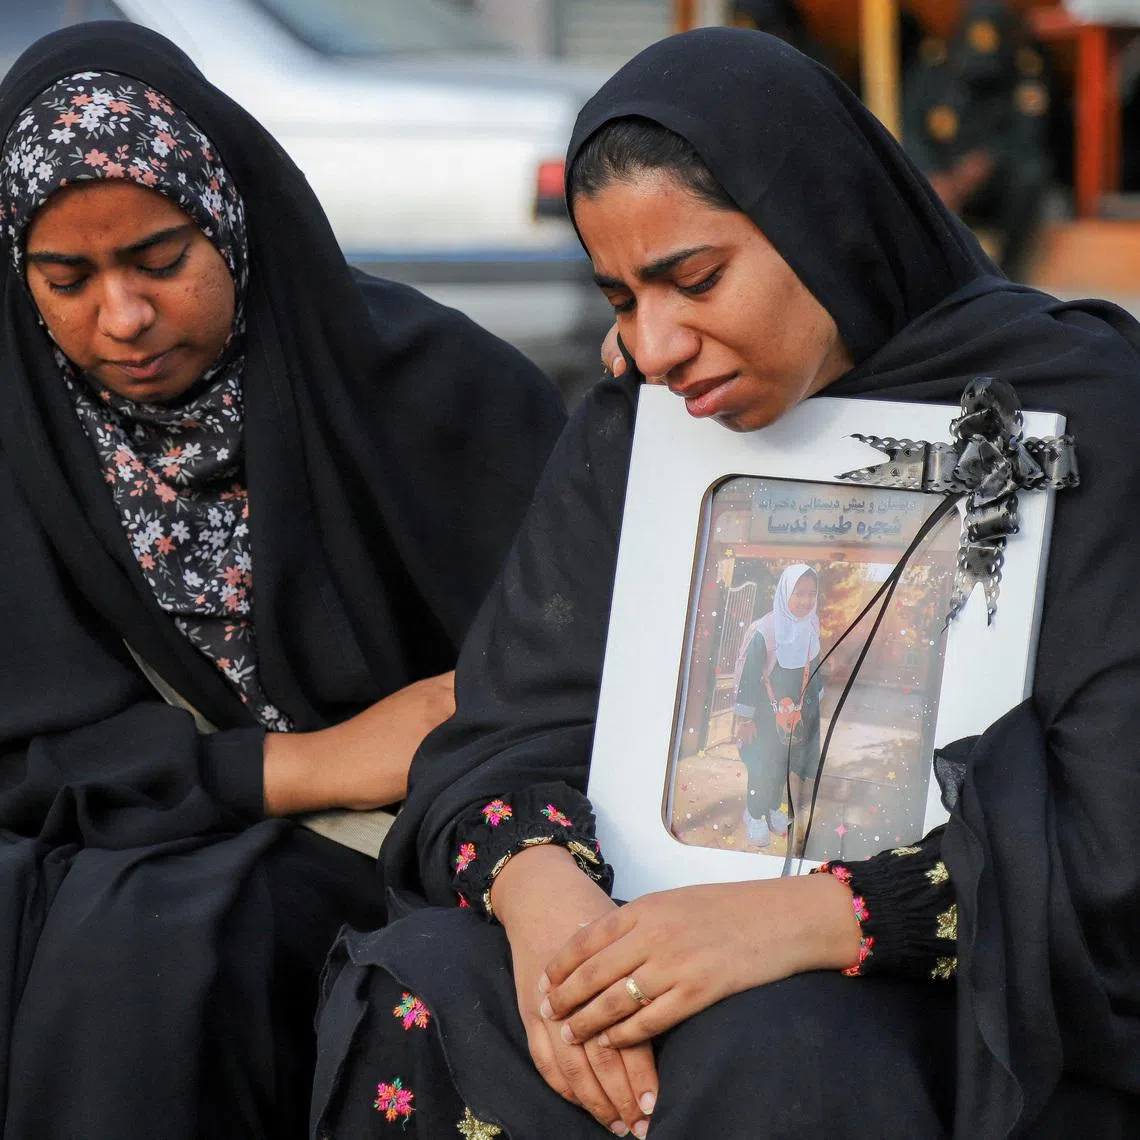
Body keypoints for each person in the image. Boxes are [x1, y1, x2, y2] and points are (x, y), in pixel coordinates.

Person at [314, 28, 1140, 1140]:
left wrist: (807, 920)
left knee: (788, 1043)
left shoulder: (1077, 414)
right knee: (425, 977)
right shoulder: (642, 426)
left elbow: (1111, 831)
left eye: (693, 279)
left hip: (940, 980)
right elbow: (511, 727)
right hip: (647, 932)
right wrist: (545, 901)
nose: (654, 346)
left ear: (823, 222)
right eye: (617, 300)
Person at [0, 20, 565, 1140]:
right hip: (141, 842)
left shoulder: (436, 395)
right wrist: (302, 766)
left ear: (234, 218)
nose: (122, 318)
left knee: (177, 930)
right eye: (66, 278)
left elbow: (568, 679)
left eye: (160, 259)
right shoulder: (22, 432)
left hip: (430, 847)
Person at [901, 0, 1056, 281]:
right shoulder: (934, 67)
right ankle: (927, 277)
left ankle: (1008, 276)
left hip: (992, 183)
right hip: (941, 179)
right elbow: (911, 127)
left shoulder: (1023, 70)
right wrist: (932, 173)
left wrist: (986, 163)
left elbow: (1028, 135)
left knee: (1032, 174)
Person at [733, 564, 821, 848]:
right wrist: (746, 719)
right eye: (799, 594)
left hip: (792, 716)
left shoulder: (811, 625)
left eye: (811, 594)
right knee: (762, 765)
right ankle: (754, 814)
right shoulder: (766, 629)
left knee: (783, 765)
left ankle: (771, 809)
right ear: (785, 593)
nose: (806, 601)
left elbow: (814, 666)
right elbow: (749, 675)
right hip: (763, 714)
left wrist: (812, 704)